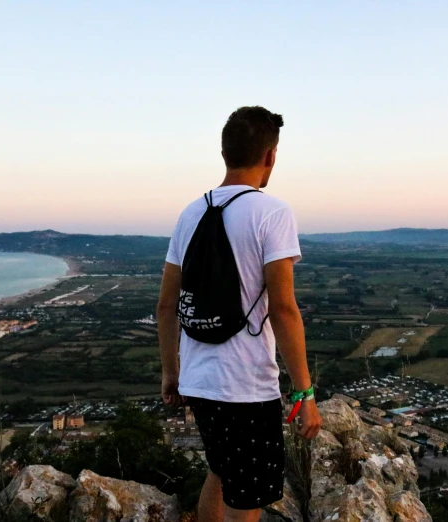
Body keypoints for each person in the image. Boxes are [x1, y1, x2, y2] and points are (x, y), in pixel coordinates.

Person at [157, 106, 322, 522]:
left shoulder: (190, 214)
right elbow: (283, 309)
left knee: (221, 468)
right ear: (270, 156)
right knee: (246, 500)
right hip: (245, 385)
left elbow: (165, 306)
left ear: (225, 152)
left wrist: (171, 374)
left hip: (199, 380)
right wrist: (305, 393)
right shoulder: (272, 213)